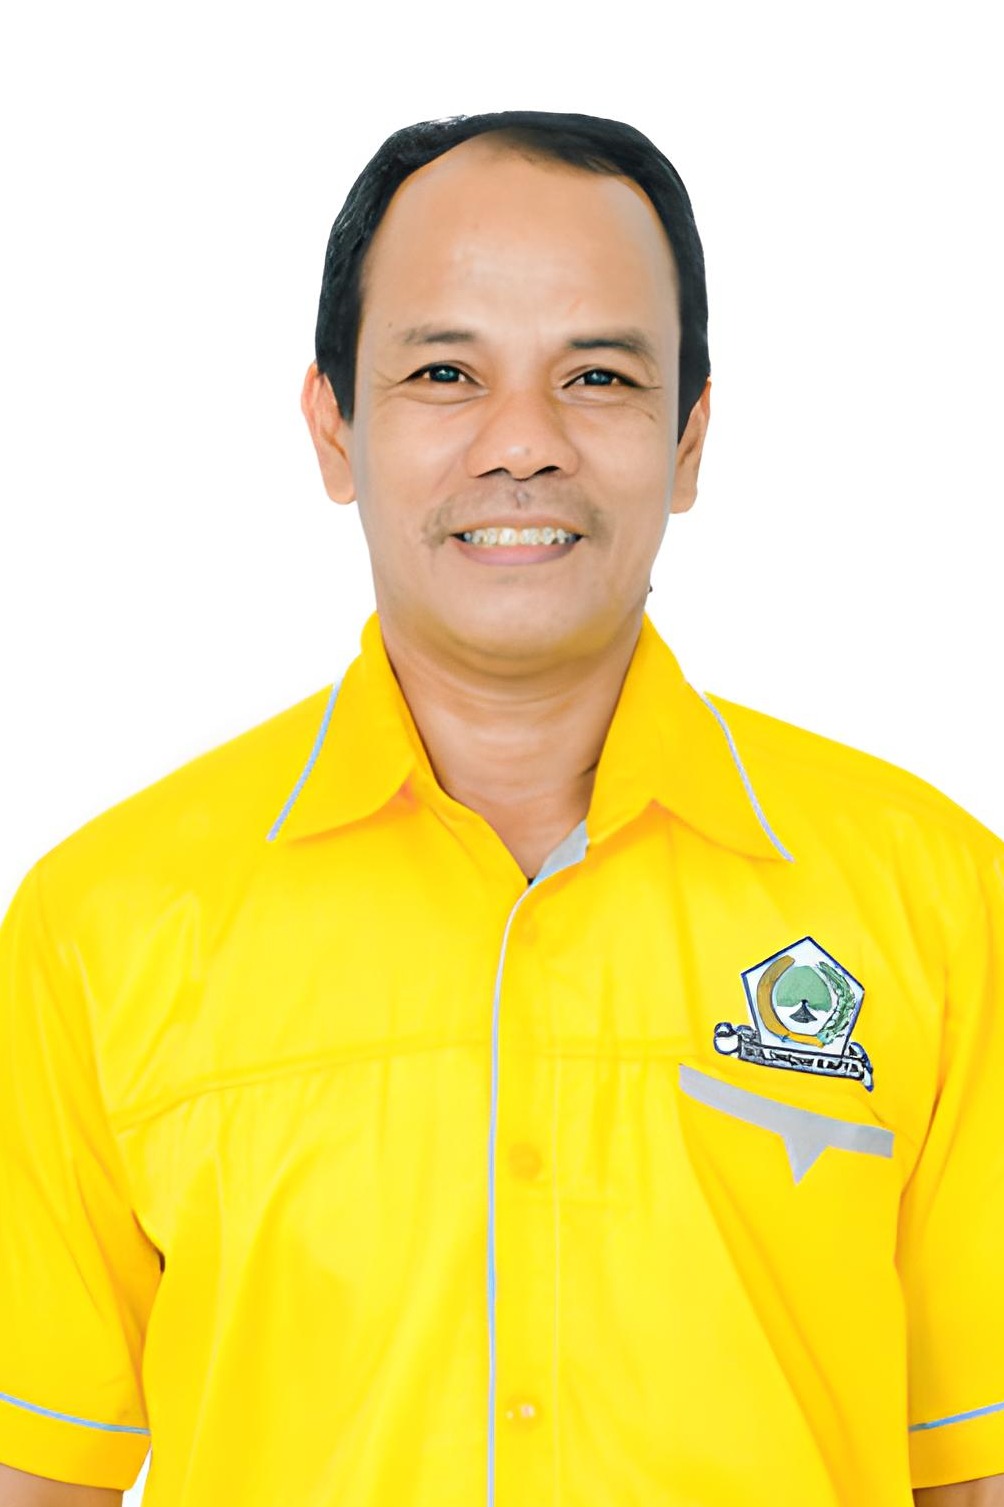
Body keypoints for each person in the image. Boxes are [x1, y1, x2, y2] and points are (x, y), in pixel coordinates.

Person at [0, 109, 1001, 1507]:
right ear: (334, 428)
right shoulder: (100, 928)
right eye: (444, 373)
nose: (521, 443)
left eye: (597, 375)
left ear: (689, 439)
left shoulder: (938, 902)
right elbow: (42, 1470)